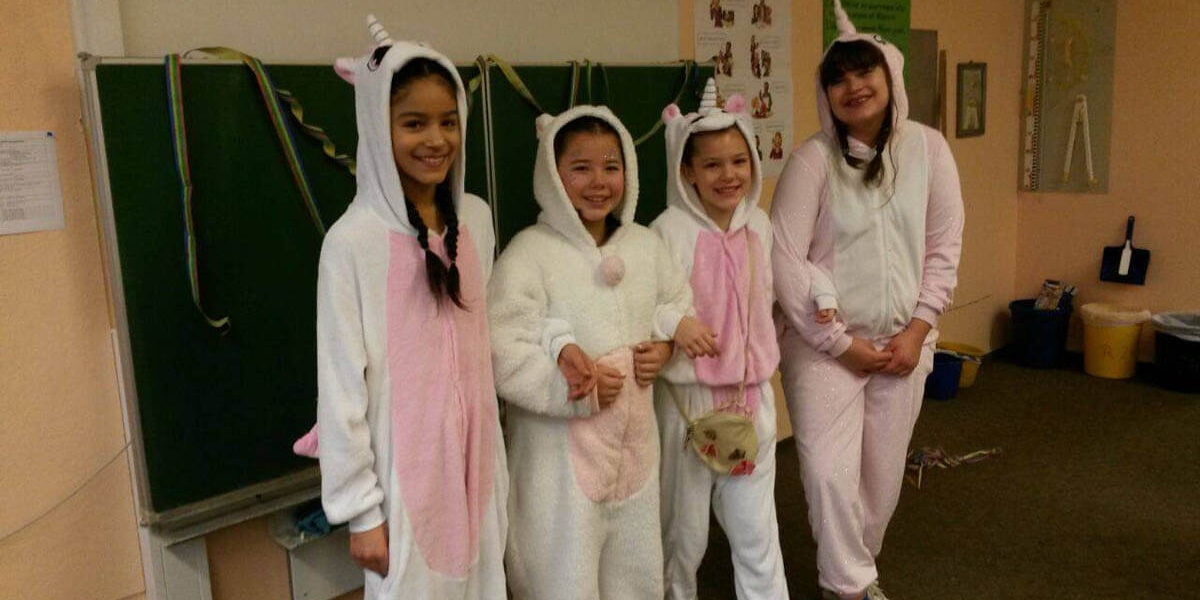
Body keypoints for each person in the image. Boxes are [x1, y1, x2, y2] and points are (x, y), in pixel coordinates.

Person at [770, 1, 964, 599]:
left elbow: (943, 247)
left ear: (889, 76)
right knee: (829, 476)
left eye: (864, 72)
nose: (853, 87)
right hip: (824, 346)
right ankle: (851, 587)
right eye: (838, 79)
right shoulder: (811, 161)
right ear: (826, 93)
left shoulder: (929, 150)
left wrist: (918, 330)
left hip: (904, 343)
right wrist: (838, 343)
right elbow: (784, 261)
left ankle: (849, 572)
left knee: (879, 483)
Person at [315, 19, 507, 600]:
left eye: (449, 121)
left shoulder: (475, 221)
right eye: (414, 123)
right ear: (379, 127)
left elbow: (488, 341)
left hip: (479, 471)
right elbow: (340, 386)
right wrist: (360, 510)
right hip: (404, 484)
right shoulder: (352, 243)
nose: (436, 139)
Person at [488, 105, 692, 600]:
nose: (598, 182)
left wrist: (666, 348)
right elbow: (501, 348)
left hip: (634, 458)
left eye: (611, 166)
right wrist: (570, 388)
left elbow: (677, 303)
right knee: (563, 577)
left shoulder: (645, 245)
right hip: (558, 467)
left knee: (635, 575)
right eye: (580, 168)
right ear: (552, 176)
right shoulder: (529, 252)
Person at [652, 81, 789, 600]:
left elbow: (769, 294)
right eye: (712, 165)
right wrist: (675, 323)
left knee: (757, 533)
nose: (728, 175)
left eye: (738, 161)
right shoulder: (667, 231)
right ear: (687, 171)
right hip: (688, 404)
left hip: (751, 400)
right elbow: (644, 305)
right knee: (682, 535)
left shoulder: (759, 225)